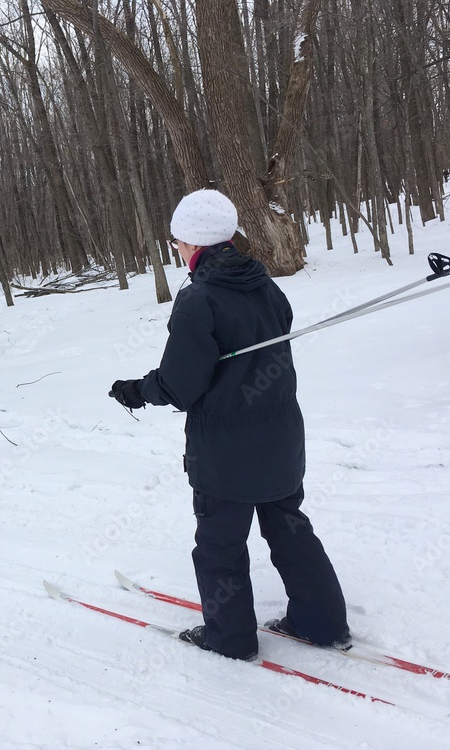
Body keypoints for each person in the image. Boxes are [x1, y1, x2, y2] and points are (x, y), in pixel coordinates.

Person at [109, 189, 349, 661]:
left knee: (220, 546)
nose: (176, 248)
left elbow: (180, 385)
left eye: (178, 241)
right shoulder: (265, 284)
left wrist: (138, 390)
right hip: (280, 440)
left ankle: (230, 639)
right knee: (290, 532)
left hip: (224, 450)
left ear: (194, 243)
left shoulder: (199, 299)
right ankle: (322, 624)